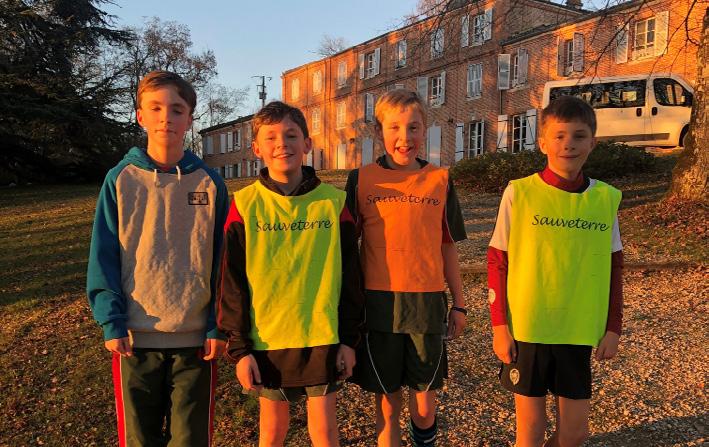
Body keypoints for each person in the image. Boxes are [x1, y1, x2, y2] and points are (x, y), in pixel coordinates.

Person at [87, 70, 229, 446]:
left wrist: (216, 325)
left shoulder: (210, 183)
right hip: (135, 339)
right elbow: (103, 255)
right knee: (140, 440)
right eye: (156, 108)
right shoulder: (120, 179)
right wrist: (112, 322)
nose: (166, 117)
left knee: (190, 440)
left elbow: (223, 263)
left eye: (177, 109)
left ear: (190, 119)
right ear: (140, 116)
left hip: (195, 342)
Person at [217, 101, 365, 447]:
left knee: (325, 432)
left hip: (323, 336)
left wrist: (349, 339)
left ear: (307, 143)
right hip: (267, 339)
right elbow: (231, 281)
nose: (281, 144)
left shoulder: (333, 202)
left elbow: (351, 277)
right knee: (272, 433)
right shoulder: (244, 204)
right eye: (270, 137)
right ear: (256, 149)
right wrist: (239, 348)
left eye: (291, 135)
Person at [487, 95, 624, 447]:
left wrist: (613, 327)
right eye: (559, 135)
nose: (569, 144)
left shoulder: (605, 199)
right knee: (530, 433)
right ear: (543, 142)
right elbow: (497, 260)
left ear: (593, 143)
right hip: (529, 328)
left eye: (579, 136)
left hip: (577, 330)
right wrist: (500, 326)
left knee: (574, 435)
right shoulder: (519, 192)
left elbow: (614, 266)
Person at [345, 90, 467, 447]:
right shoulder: (361, 179)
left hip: (426, 304)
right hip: (378, 305)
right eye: (394, 127)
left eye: (414, 127)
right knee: (387, 404)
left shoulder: (440, 179)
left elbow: (448, 246)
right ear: (378, 131)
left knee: (425, 405)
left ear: (425, 129)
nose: (405, 137)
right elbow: (346, 250)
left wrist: (459, 304)